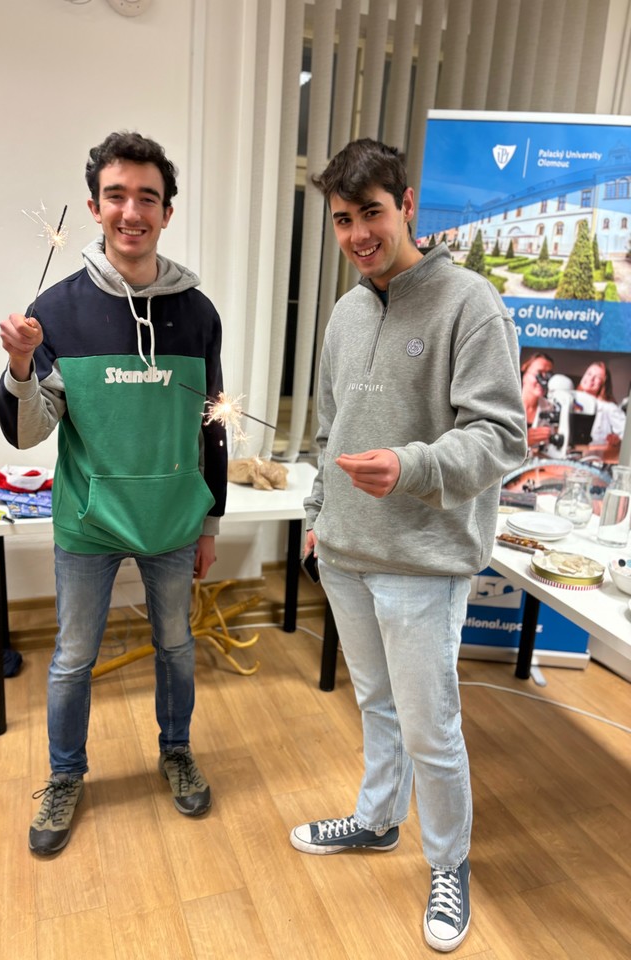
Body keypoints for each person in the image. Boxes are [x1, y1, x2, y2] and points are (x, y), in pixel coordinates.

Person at [291, 140, 527, 953]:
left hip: (423, 563)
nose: (358, 234)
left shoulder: (471, 303)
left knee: (432, 728)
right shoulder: (345, 313)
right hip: (346, 556)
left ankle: (449, 863)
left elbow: (501, 436)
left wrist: (413, 465)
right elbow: (330, 430)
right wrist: (318, 512)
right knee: (377, 707)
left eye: (373, 213)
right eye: (343, 219)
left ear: (409, 206)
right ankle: (378, 818)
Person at [0, 131, 227, 856]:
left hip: (173, 523)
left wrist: (211, 523)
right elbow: (28, 434)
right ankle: (65, 775)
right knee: (72, 660)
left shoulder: (199, 314)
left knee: (176, 647)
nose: (133, 211)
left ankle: (176, 750)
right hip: (88, 524)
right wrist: (20, 367)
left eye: (148, 198)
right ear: (95, 207)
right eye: (117, 196)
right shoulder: (54, 312)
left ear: (167, 212)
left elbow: (214, 424)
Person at [576, 360, 626, 452]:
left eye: (597, 377)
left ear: (603, 384)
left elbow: (627, 434)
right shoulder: (569, 400)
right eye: (589, 374)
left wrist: (617, 441)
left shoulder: (609, 407)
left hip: (594, 456)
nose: (591, 379)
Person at [520, 351, 555, 451]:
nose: (543, 380)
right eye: (539, 374)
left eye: (548, 375)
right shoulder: (505, 403)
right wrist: (522, 442)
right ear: (525, 375)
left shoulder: (550, 408)